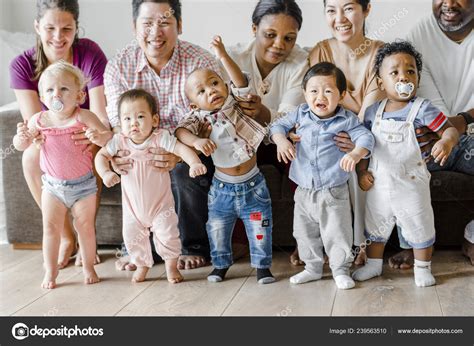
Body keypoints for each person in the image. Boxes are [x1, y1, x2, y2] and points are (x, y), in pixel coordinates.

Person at [105, 0, 271, 271]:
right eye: (147, 23)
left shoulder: (200, 60)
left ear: (179, 25)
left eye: (165, 22)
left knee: (185, 171)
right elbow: (117, 125)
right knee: (132, 170)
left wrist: (178, 152)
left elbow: (210, 117)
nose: (155, 32)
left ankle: (192, 246)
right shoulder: (118, 66)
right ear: (135, 27)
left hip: (187, 146)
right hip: (140, 151)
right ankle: (142, 248)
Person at [9, 0, 108, 268]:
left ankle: (87, 233)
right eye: (50, 28)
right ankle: (66, 237)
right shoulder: (22, 65)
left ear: (76, 28)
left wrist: (92, 133)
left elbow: (100, 112)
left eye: (67, 28)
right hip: (51, 139)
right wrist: (35, 136)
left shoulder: (89, 53)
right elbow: (33, 123)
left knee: (95, 148)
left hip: (84, 134)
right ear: (37, 27)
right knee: (30, 157)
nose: (58, 37)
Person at [352, 41, 459, 287]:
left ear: (418, 79)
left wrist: (445, 142)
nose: (404, 77)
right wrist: (361, 171)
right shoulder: (372, 113)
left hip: (411, 184)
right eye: (395, 72)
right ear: (381, 83)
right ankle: (373, 264)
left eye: (410, 71)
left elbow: (450, 130)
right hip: (379, 183)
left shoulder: (423, 109)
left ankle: (423, 268)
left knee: (419, 224)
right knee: (376, 225)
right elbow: (365, 145)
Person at [175, 36, 275, 284]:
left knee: (260, 229)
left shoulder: (234, 104)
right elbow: (180, 132)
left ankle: (262, 267)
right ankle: (220, 265)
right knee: (218, 229)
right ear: (193, 103)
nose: (211, 91)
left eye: (215, 83)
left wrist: (222, 56)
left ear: (225, 86)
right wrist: (197, 142)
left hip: (254, 184)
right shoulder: (198, 118)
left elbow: (240, 82)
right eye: (202, 91)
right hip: (222, 189)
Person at [295, 0, 385, 266]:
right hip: (332, 136)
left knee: (356, 152)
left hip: (365, 136)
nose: (340, 18)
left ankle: (359, 244)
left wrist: (349, 127)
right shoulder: (320, 51)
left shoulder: (380, 53)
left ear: (366, 9)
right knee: (333, 152)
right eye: (331, 10)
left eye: (348, 8)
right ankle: (315, 245)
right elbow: (314, 103)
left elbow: (369, 115)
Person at [269, 62, 375, 289]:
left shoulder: (346, 119)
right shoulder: (300, 114)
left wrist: (356, 153)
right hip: (304, 190)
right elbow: (276, 127)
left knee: (337, 232)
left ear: (342, 94)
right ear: (305, 94)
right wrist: (281, 140)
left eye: (328, 91)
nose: (321, 96)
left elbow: (366, 138)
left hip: (333, 189)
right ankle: (312, 268)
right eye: (314, 91)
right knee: (304, 232)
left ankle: (340, 270)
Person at [389, 0, 474, 268]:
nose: (448, 4)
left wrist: (462, 121)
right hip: (428, 138)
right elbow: (411, 94)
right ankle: (414, 245)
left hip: (469, 134)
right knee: (400, 171)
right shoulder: (417, 35)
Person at [12, 61, 110, 289]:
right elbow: (20, 145)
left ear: (79, 96)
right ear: (43, 98)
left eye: (64, 89)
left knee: (85, 227)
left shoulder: (83, 117)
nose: (56, 94)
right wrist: (22, 137)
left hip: (84, 186)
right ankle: (50, 272)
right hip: (53, 187)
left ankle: (88, 267)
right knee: (50, 228)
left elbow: (106, 138)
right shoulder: (39, 120)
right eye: (49, 90)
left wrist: (98, 137)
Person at [95, 89, 207, 283]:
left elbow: (181, 148)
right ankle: (142, 266)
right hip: (133, 209)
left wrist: (194, 163)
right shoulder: (119, 142)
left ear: (154, 120)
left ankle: (171, 268)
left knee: (168, 234)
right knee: (132, 237)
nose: (134, 123)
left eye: (140, 116)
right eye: (127, 119)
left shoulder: (160, 138)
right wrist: (105, 173)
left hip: (160, 207)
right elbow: (101, 156)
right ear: (120, 124)